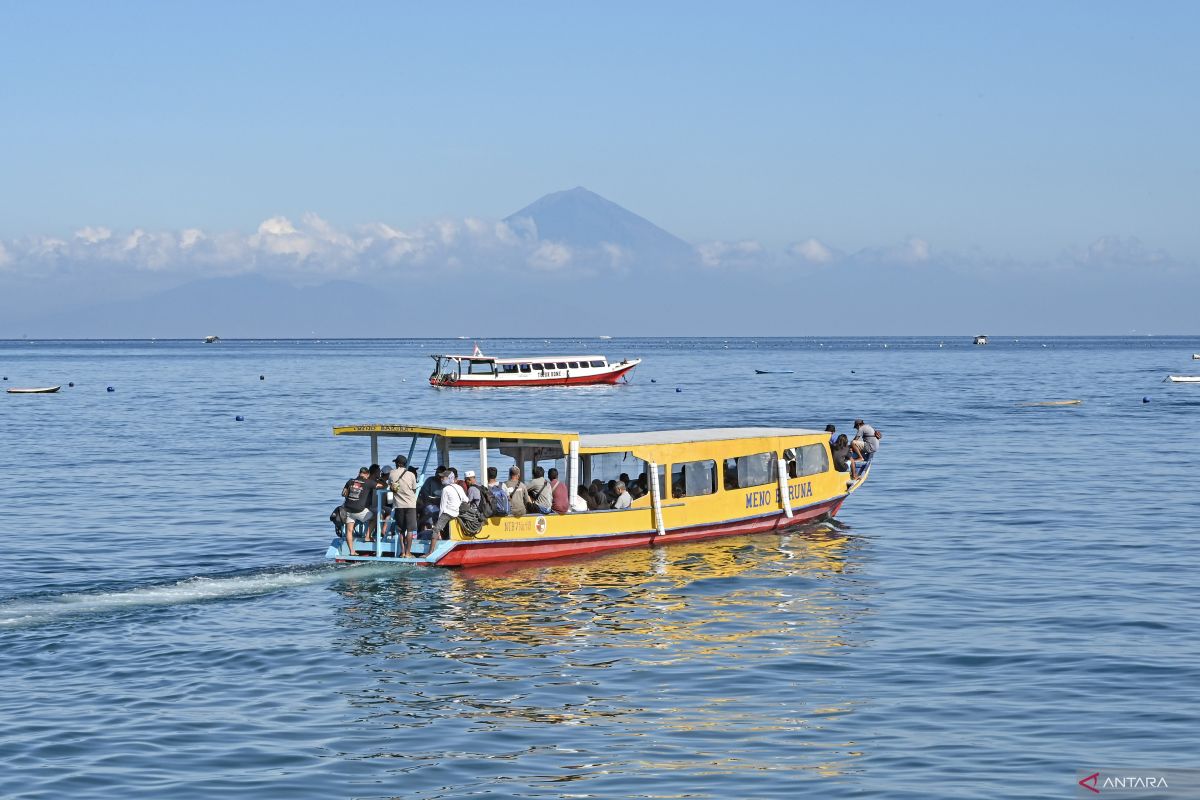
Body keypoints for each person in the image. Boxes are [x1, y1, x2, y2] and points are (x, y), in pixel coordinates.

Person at [389, 455, 419, 557]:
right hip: (410, 505)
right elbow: (414, 489)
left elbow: (390, 486)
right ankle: (408, 552)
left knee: (401, 530)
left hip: (398, 505)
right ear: (405, 464)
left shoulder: (391, 473)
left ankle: (402, 552)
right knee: (410, 530)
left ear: (396, 463)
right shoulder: (411, 474)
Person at [340, 467, 374, 553]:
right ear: (367, 474)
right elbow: (380, 486)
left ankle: (352, 551)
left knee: (349, 530)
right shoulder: (368, 482)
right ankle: (367, 536)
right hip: (359, 511)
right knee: (375, 517)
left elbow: (343, 494)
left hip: (348, 509)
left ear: (359, 473)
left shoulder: (350, 481)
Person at [433, 469, 468, 540]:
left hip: (449, 513)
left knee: (435, 530)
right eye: (441, 477)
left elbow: (442, 507)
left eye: (443, 477)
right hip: (458, 512)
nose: (441, 479)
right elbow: (466, 500)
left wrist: (439, 520)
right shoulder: (458, 487)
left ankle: (431, 550)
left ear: (449, 478)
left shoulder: (445, 489)